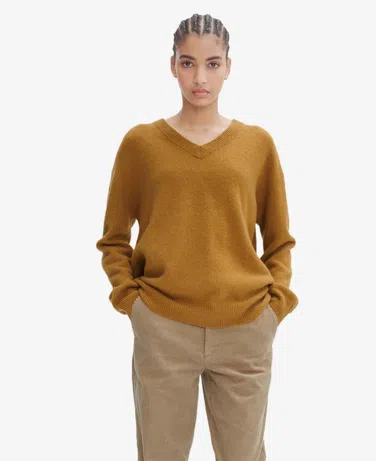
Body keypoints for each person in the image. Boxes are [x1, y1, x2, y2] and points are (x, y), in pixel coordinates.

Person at [96, 13, 298, 461]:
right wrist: (134, 305)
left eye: (212, 63)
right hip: (163, 327)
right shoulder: (141, 144)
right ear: (172, 65)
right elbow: (114, 240)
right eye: (188, 63)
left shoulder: (257, 145)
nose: (200, 78)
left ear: (229, 66)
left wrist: (274, 308)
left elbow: (279, 240)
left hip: (245, 327)